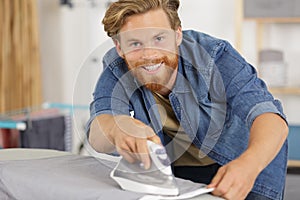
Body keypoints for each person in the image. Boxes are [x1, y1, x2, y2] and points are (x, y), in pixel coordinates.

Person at [87, 0, 289, 199]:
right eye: (135, 43)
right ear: (120, 48)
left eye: (159, 38)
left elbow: (269, 118)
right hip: (177, 171)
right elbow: (98, 130)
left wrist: (249, 165)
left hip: (243, 162)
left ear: (177, 35)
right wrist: (119, 127)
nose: (149, 54)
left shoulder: (214, 55)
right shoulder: (116, 67)